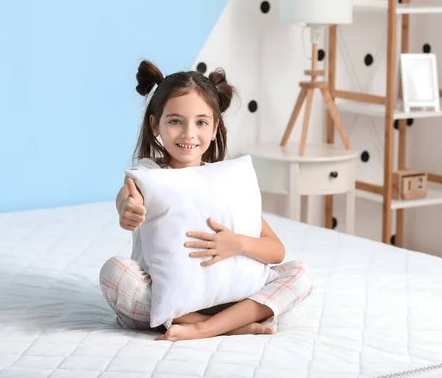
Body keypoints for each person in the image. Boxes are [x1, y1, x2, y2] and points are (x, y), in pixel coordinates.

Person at [99, 59, 313, 342]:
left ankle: (206, 327)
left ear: (214, 129)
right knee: (115, 273)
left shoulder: (225, 180)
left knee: (299, 274)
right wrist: (127, 208)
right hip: (167, 294)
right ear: (156, 125)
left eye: (201, 122)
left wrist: (237, 244)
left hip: (227, 296)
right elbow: (128, 195)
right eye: (175, 121)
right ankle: (229, 325)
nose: (189, 133)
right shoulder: (150, 174)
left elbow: (276, 252)